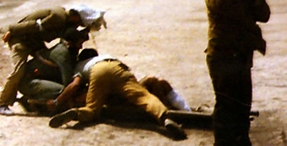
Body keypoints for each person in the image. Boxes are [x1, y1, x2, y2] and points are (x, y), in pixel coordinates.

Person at [205, 0, 270, 146]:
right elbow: (217, 5)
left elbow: (264, 16)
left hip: (241, 56)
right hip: (221, 55)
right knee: (225, 102)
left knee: (243, 103)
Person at [48, 49, 187, 140]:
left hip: (98, 72)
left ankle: (77, 113)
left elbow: (74, 85)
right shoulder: (105, 56)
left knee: (92, 109)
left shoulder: (80, 66)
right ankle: (164, 118)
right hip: (117, 67)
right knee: (144, 97)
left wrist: (57, 101)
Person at [0, 6, 92, 115]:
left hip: (33, 42)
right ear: (75, 16)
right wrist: (12, 30)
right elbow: (35, 25)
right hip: (21, 41)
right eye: (79, 22)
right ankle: (2, 103)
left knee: (45, 63)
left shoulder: (66, 23)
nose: (79, 25)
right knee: (18, 71)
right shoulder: (59, 17)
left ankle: (25, 97)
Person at [17, 28, 89, 106]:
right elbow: (68, 81)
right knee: (64, 91)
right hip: (27, 82)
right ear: (70, 43)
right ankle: (32, 102)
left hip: (38, 79)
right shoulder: (63, 53)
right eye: (79, 43)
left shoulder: (66, 50)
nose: (80, 47)